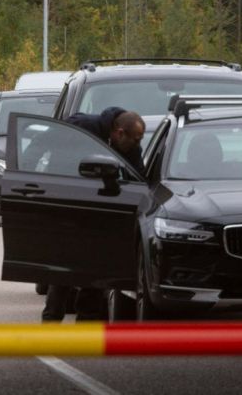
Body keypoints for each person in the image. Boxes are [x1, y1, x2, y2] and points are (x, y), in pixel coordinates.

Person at [42, 106, 146, 322]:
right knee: (64, 266)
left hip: (101, 211)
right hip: (68, 205)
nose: (137, 145)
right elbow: (41, 145)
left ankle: (87, 323)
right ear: (119, 133)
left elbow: (138, 179)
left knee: (95, 267)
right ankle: (51, 320)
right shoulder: (82, 127)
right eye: (135, 140)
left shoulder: (131, 148)